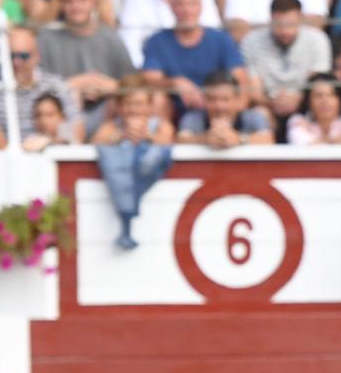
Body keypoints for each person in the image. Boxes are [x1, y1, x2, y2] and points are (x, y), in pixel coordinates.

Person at [91, 75, 174, 249]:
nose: (133, 109)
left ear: (149, 105)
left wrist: (148, 136)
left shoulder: (161, 125)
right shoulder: (110, 126)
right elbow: (96, 142)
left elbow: (167, 142)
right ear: (119, 106)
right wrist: (120, 136)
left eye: (139, 103)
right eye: (128, 104)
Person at [241, 0, 331, 127]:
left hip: (306, 104)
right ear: (270, 19)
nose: (285, 31)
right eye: (279, 25)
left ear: (301, 19)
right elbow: (253, 89)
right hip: (268, 106)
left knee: (323, 103)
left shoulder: (318, 39)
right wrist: (270, 102)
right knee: (258, 114)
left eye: (290, 25)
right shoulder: (251, 41)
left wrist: (297, 100)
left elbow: (318, 82)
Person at [176, 69, 272, 148]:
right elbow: (181, 140)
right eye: (212, 99)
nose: (219, 106)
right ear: (204, 99)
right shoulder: (193, 118)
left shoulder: (252, 117)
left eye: (225, 99)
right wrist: (205, 139)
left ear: (236, 99)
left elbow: (268, 139)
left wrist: (239, 139)